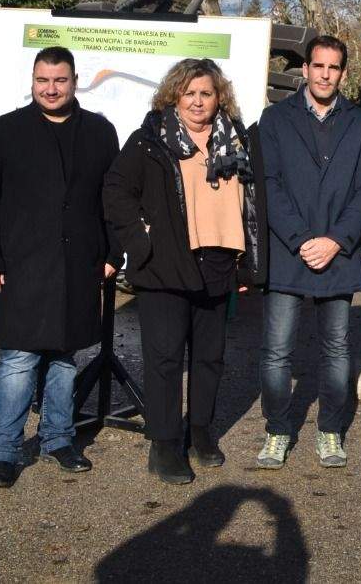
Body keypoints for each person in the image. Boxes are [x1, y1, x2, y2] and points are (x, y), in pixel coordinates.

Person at [0, 46, 120, 488]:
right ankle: (3, 449)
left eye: (59, 80)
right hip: (21, 265)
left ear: (75, 82)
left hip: (78, 264)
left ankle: (58, 438)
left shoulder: (98, 131)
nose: (50, 89)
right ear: (32, 81)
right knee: (17, 359)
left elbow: (111, 199)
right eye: (42, 80)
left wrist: (113, 253)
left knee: (65, 357)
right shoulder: (5, 131)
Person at [103, 58, 260, 485]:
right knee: (166, 358)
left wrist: (251, 264)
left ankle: (201, 432)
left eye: (205, 93)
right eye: (189, 92)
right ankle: (164, 444)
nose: (197, 101)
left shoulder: (237, 139)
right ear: (174, 95)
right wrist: (139, 241)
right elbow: (116, 190)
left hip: (219, 259)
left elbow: (252, 204)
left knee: (209, 357)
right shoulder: (150, 139)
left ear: (218, 97)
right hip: (165, 263)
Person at [251, 34, 361, 470]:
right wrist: (301, 239)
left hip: (337, 254)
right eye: (318, 66)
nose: (325, 74)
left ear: (343, 73)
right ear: (304, 69)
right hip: (290, 251)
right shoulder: (275, 120)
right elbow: (268, 185)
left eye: (334, 68)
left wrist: (336, 240)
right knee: (275, 352)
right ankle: (277, 430)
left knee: (336, 351)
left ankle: (329, 430)